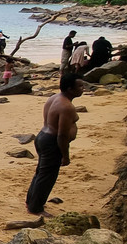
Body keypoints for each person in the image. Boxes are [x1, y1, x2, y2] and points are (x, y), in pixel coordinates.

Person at [26, 72, 85, 216]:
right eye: (80, 86)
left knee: (41, 172)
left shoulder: (54, 98)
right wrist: (65, 155)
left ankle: (31, 201)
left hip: (42, 136)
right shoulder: (66, 107)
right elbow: (62, 135)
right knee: (47, 176)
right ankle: (36, 207)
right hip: (51, 141)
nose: (83, 89)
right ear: (70, 89)